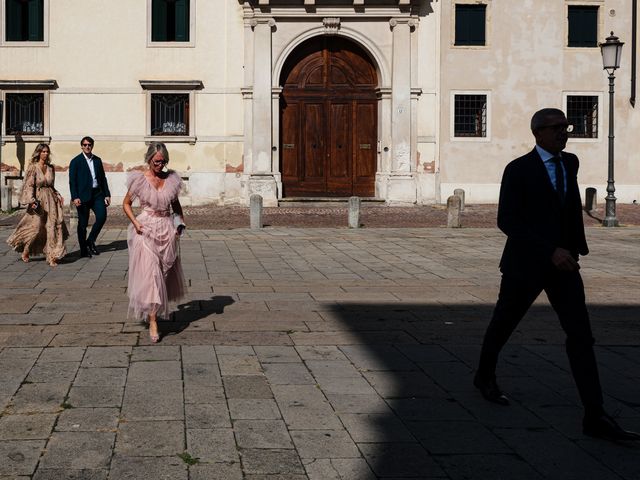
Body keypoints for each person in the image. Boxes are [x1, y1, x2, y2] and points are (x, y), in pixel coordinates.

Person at [474, 108, 640, 442]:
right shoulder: (518, 169)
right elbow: (507, 221)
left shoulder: (570, 163)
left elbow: (565, 209)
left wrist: (573, 248)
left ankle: (594, 415)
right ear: (537, 132)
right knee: (503, 323)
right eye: (555, 128)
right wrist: (549, 249)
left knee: (581, 336)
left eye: (566, 127)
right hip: (526, 264)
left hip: (565, 266)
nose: (563, 133)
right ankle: (484, 375)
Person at [123, 142, 186, 343]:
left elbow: (176, 206)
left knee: (164, 274)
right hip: (146, 229)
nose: (160, 165)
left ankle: (154, 311)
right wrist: (136, 223)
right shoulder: (140, 180)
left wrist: (179, 224)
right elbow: (126, 204)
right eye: (157, 161)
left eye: (163, 161)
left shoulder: (172, 180)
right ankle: (153, 321)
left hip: (166, 229)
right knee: (151, 275)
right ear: (149, 159)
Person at [7, 144, 69, 266]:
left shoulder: (51, 168)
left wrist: (58, 194)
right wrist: (31, 200)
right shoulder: (33, 168)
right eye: (43, 151)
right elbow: (29, 185)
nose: (46, 154)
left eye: (47, 152)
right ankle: (26, 250)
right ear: (38, 153)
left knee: (52, 227)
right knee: (35, 227)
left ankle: (52, 256)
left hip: (51, 200)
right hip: (38, 200)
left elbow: (51, 185)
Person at [69, 136, 111, 257]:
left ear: (92, 146)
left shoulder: (97, 160)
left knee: (102, 217)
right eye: (85, 145)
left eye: (89, 145)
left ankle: (90, 241)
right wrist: (75, 197)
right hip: (82, 196)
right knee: (83, 224)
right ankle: (83, 249)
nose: (87, 147)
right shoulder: (75, 161)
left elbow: (102, 178)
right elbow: (72, 181)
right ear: (81, 146)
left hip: (97, 194)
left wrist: (107, 194)